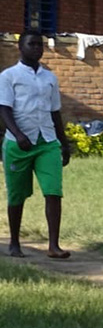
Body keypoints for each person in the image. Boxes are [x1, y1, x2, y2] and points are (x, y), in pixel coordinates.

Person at [0, 31, 71, 259]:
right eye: (31, 44)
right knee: (17, 195)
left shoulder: (49, 78)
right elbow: (4, 109)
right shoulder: (9, 76)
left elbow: (55, 112)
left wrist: (64, 142)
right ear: (20, 47)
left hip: (47, 142)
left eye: (39, 45)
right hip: (18, 144)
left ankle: (53, 245)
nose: (36, 48)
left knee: (53, 191)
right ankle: (14, 242)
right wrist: (18, 134)